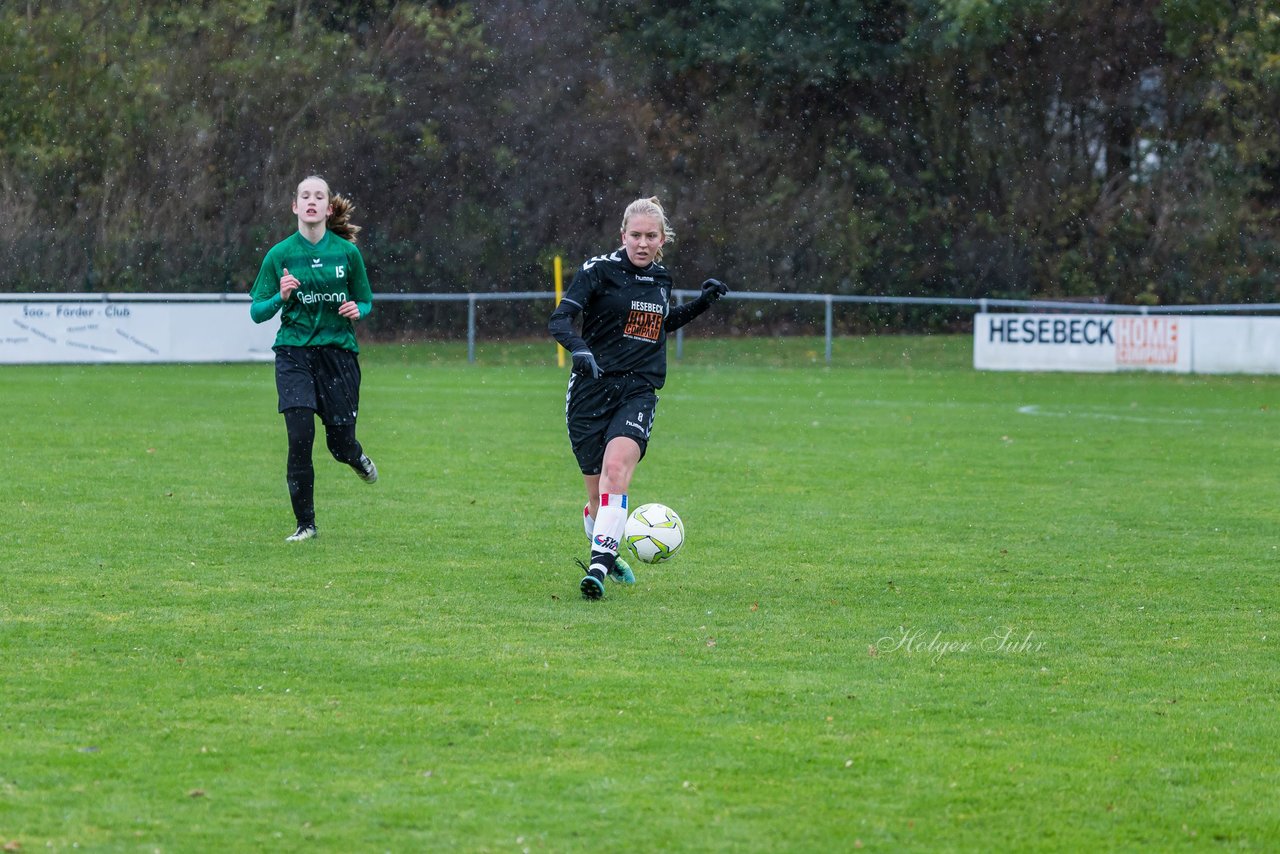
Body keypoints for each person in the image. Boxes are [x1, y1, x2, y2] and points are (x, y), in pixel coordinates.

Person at [549, 196, 729, 599]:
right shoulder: (598, 272)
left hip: (638, 390)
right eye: (636, 235)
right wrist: (579, 350)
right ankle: (608, 550)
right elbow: (560, 319)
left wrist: (701, 304)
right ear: (623, 236)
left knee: (616, 471)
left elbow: (658, 326)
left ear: (662, 239)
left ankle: (597, 568)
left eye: (651, 236)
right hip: (590, 392)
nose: (643, 243)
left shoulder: (660, 279)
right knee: (597, 497)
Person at [250, 175, 378, 542]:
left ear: (327, 207)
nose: (310, 201)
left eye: (318, 196)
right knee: (299, 436)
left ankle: (355, 455)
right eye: (304, 196)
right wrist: (280, 297)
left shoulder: (347, 253)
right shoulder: (280, 255)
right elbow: (257, 312)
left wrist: (359, 310)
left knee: (338, 445)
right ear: (295, 206)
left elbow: (365, 300)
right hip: (293, 353)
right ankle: (305, 524)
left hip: (337, 354)